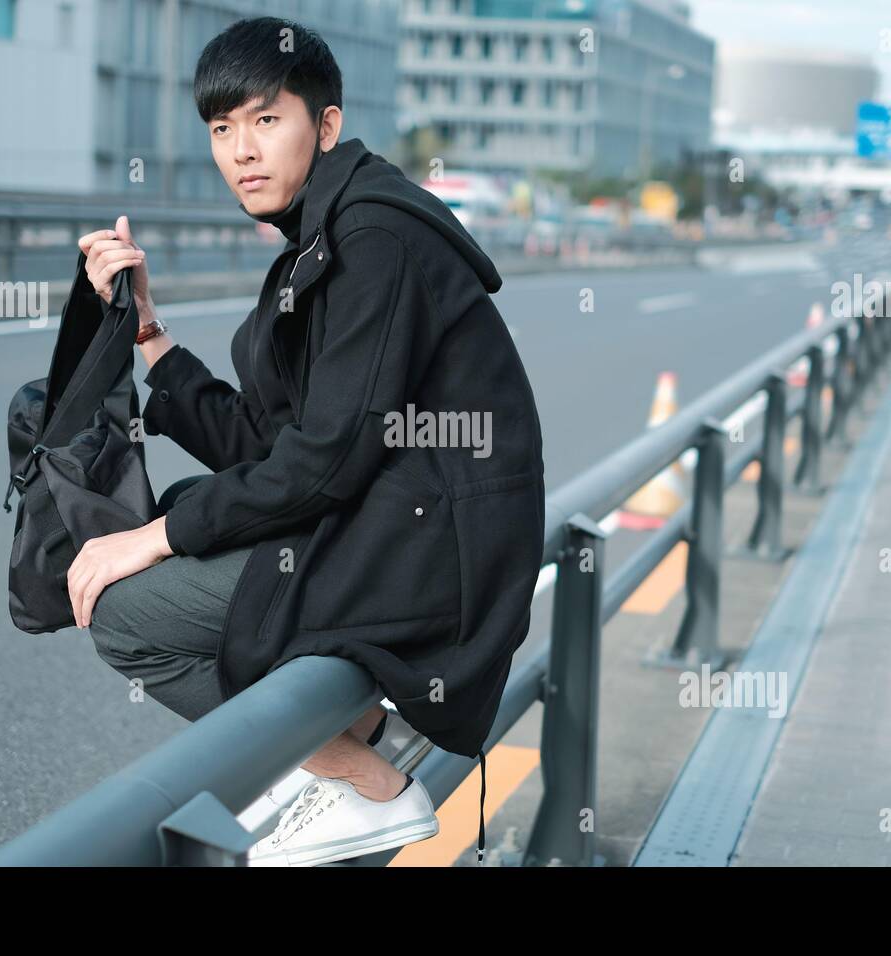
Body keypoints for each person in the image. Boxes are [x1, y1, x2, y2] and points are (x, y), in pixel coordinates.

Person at [68, 16, 545, 867]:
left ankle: (362, 780)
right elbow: (273, 443)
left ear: (324, 126)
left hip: (438, 551)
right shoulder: (328, 236)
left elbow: (325, 460)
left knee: (127, 614)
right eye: (222, 129)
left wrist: (151, 539)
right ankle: (344, 752)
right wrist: (149, 335)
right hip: (406, 524)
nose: (241, 150)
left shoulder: (372, 241)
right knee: (180, 534)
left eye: (265, 120)